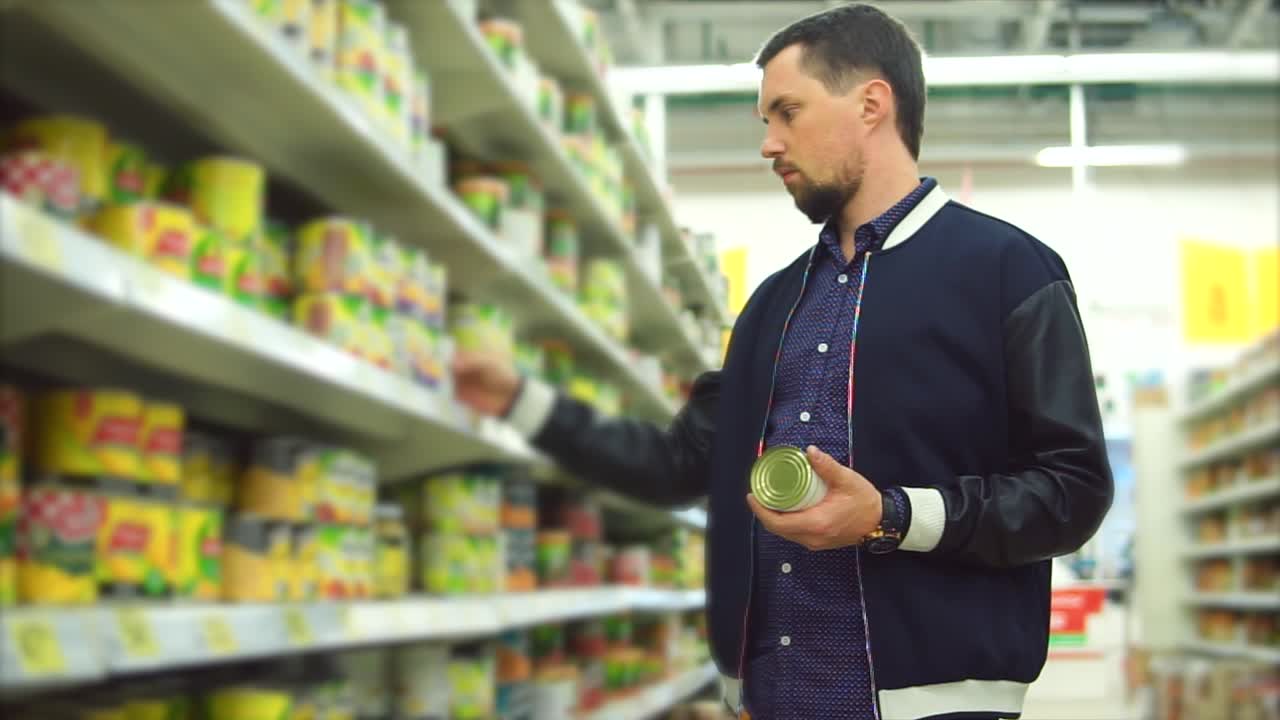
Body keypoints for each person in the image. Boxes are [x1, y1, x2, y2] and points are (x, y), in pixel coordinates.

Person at [453, 3, 1114, 719]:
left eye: (786, 112)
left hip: (935, 703)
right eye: (765, 121)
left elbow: (1071, 490)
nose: (769, 144)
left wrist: (891, 516)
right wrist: (522, 401)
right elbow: (677, 462)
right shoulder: (773, 305)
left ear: (871, 104)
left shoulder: (1009, 272)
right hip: (772, 699)